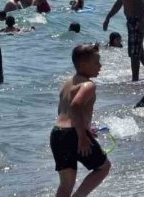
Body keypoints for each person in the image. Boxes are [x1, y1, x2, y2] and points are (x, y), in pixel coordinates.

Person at [50, 43, 111, 197]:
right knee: (103, 168)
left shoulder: (67, 83)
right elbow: (75, 105)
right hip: (74, 134)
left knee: (66, 185)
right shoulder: (88, 85)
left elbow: (62, 110)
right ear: (84, 64)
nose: (100, 66)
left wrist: (85, 127)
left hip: (57, 134)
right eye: (96, 63)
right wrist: (82, 136)